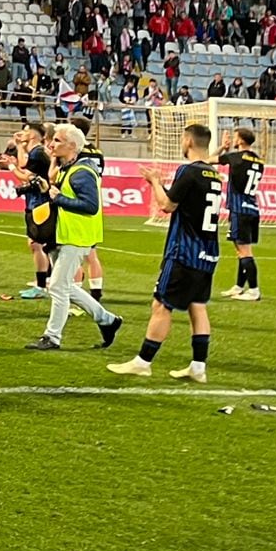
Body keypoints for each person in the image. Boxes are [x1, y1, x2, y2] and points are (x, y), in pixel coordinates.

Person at [109, 122, 224, 383]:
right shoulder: (214, 175)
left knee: (161, 304)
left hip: (184, 251)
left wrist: (154, 181)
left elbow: (167, 205)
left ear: (188, 141)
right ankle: (198, 367)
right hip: (208, 252)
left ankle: (143, 362)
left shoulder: (189, 171)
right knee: (198, 306)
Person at [26, 124, 125, 352]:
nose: (52, 144)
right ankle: (108, 320)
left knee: (58, 287)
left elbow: (90, 206)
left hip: (76, 237)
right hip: (65, 235)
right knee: (65, 286)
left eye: (58, 141)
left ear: (72, 146)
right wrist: (48, 190)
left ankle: (52, 337)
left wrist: (58, 198)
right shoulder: (69, 169)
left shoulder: (81, 172)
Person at [4, 121, 56, 300]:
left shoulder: (38, 153)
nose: (21, 134)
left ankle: (44, 285)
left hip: (41, 203)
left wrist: (12, 166)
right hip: (37, 202)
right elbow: (26, 169)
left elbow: (26, 173)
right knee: (38, 244)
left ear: (32, 135)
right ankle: (46, 281)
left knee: (38, 244)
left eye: (25, 131)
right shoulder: (35, 153)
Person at [218, 126, 266, 301]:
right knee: (241, 250)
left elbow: (207, 160)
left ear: (240, 140)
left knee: (245, 251)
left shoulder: (235, 157)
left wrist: (224, 147)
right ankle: (239, 286)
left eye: (235, 137)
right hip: (252, 208)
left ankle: (254, 290)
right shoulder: (259, 161)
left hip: (239, 208)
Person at [67, 113, 107, 302]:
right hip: (95, 201)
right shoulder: (97, 152)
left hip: (77, 203)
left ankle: (76, 294)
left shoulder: (76, 152)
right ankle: (96, 292)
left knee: (73, 253)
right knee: (91, 253)